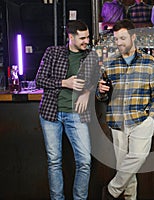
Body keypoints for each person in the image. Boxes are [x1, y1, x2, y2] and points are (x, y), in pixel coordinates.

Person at [96, 19, 154, 200]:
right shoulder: (109, 63)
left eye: (123, 38)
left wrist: (151, 118)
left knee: (136, 159)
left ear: (133, 37)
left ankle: (111, 190)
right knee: (126, 169)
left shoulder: (150, 62)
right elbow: (102, 94)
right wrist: (100, 91)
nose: (118, 43)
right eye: (116, 39)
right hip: (116, 121)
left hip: (141, 119)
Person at [35, 20, 99, 200]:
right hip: (51, 113)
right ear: (71, 37)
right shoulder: (53, 52)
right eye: (83, 38)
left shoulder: (91, 56)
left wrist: (87, 92)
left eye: (88, 37)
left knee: (84, 162)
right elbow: (39, 80)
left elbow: (97, 79)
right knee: (54, 161)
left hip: (76, 114)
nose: (87, 41)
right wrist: (65, 83)